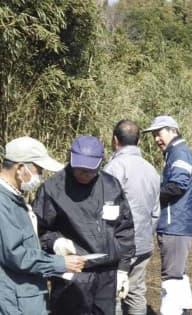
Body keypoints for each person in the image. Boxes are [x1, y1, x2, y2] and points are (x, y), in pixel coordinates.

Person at [34, 135, 135, 315]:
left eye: (89, 170)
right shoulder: (53, 188)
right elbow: (39, 231)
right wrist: (55, 242)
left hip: (107, 274)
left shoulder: (111, 186)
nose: (84, 174)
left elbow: (124, 230)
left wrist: (122, 270)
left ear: (99, 164)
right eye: (79, 168)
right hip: (72, 275)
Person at [0, 137, 86, 315]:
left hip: (25, 295)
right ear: (20, 168)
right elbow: (16, 255)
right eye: (38, 170)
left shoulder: (14, 197)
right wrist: (59, 263)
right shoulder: (3, 203)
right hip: (15, 301)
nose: (40, 176)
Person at [143, 115, 192, 315]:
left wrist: (149, 194)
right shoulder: (174, 153)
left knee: (171, 278)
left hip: (175, 224)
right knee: (178, 274)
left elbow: (177, 185)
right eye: (154, 135)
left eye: (159, 133)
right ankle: (185, 310)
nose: (156, 139)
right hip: (178, 223)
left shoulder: (180, 153)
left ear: (173, 130)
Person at [105, 120, 161, 315]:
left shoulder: (114, 168)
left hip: (118, 245)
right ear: (138, 141)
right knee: (136, 292)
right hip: (143, 242)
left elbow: (104, 209)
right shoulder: (151, 170)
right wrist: (144, 233)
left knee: (113, 292)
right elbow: (156, 212)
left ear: (114, 140)